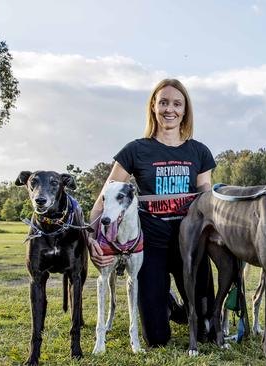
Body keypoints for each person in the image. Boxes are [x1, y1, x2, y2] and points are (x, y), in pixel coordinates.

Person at [88, 79, 216, 346]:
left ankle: (184, 310)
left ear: (185, 110)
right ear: (153, 107)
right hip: (150, 245)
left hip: (189, 243)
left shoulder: (200, 152)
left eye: (177, 104)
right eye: (164, 102)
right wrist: (93, 238)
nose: (170, 109)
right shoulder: (136, 150)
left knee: (207, 332)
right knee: (156, 339)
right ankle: (164, 303)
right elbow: (104, 199)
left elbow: (208, 203)